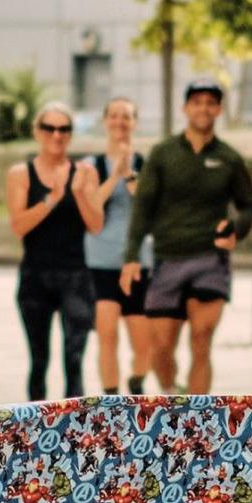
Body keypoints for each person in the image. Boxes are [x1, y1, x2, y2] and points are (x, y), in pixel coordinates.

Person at [122, 77, 252, 395]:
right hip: (168, 258)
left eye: (210, 103)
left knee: (201, 340)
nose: (203, 109)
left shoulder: (229, 158)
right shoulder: (163, 153)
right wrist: (130, 257)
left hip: (210, 259)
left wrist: (236, 230)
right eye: (197, 102)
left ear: (219, 109)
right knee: (162, 346)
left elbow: (248, 206)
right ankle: (170, 391)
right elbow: (143, 207)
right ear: (186, 108)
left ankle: (199, 425)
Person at [6, 102, 93, 401]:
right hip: (36, 276)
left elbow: (95, 224)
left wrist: (78, 192)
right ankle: (37, 435)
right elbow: (19, 225)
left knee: (74, 361)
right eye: (50, 128)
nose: (57, 135)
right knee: (39, 360)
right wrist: (52, 198)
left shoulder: (85, 172)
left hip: (76, 276)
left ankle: (75, 433)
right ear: (37, 132)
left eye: (64, 129)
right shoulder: (21, 173)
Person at [73, 96, 155, 394]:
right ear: (106, 121)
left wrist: (129, 172)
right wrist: (114, 174)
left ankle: (137, 381)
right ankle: (111, 398)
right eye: (115, 116)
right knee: (107, 336)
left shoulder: (146, 163)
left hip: (138, 262)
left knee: (143, 341)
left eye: (127, 116)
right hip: (101, 261)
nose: (120, 122)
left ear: (134, 123)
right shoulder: (91, 165)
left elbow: (147, 203)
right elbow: (92, 203)